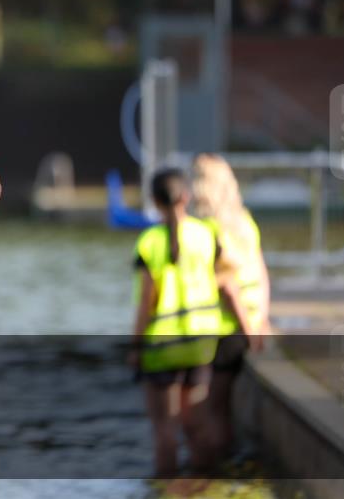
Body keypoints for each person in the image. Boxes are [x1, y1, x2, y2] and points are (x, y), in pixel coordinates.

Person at [130, 168, 251, 477]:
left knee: (165, 430)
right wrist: (250, 329)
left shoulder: (149, 242)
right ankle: (205, 485)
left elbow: (147, 303)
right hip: (200, 344)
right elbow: (228, 284)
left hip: (161, 347)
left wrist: (135, 347)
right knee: (198, 424)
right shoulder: (206, 234)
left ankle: (167, 489)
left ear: (154, 201)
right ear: (187, 197)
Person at [191, 153, 270, 458]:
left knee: (214, 408)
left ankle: (215, 470)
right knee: (222, 407)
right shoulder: (245, 221)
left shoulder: (208, 229)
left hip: (228, 329)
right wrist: (261, 318)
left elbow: (227, 285)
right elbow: (261, 272)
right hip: (251, 320)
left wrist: (248, 329)